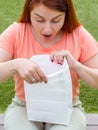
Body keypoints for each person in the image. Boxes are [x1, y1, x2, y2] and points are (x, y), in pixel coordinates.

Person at [0, 0, 98, 130]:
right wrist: (15, 64)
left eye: (56, 20)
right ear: (29, 13)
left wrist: (76, 66)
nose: (47, 29)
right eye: (39, 20)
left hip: (67, 107)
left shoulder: (78, 34)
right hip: (24, 107)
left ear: (66, 15)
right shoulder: (17, 32)